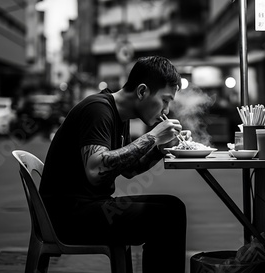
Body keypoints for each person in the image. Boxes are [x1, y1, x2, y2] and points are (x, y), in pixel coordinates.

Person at [40, 56, 189, 272]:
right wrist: (153, 137)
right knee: (165, 217)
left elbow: (127, 169)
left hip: (90, 208)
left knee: (174, 207)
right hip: (69, 217)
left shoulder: (121, 115)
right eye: (165, 100)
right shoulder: (98, 110)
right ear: (142, 91)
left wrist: (159, 150)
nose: (166, 109)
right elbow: (96, 169)